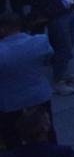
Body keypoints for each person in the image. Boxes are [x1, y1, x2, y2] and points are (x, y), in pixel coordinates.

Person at [0, 12, 53, 149]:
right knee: (47, 129)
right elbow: (48, 60)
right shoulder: (40, 41)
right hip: (38, 95)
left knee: (12, 136)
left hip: (11, 102)